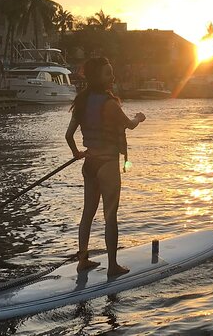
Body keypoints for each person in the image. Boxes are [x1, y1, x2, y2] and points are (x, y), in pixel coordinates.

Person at [65, 57, 146, 277]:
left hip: (89, 164)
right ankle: (112, 266)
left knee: (87, 214)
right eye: (107, 74)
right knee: (110, 215)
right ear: (97, 77)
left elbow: (68, 135)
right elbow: (129, 124)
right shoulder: (110, 104)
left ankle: (83, 260)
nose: (112, 77)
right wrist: (139, 117)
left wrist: (77, 153)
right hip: (107, 165)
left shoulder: (81, 102)